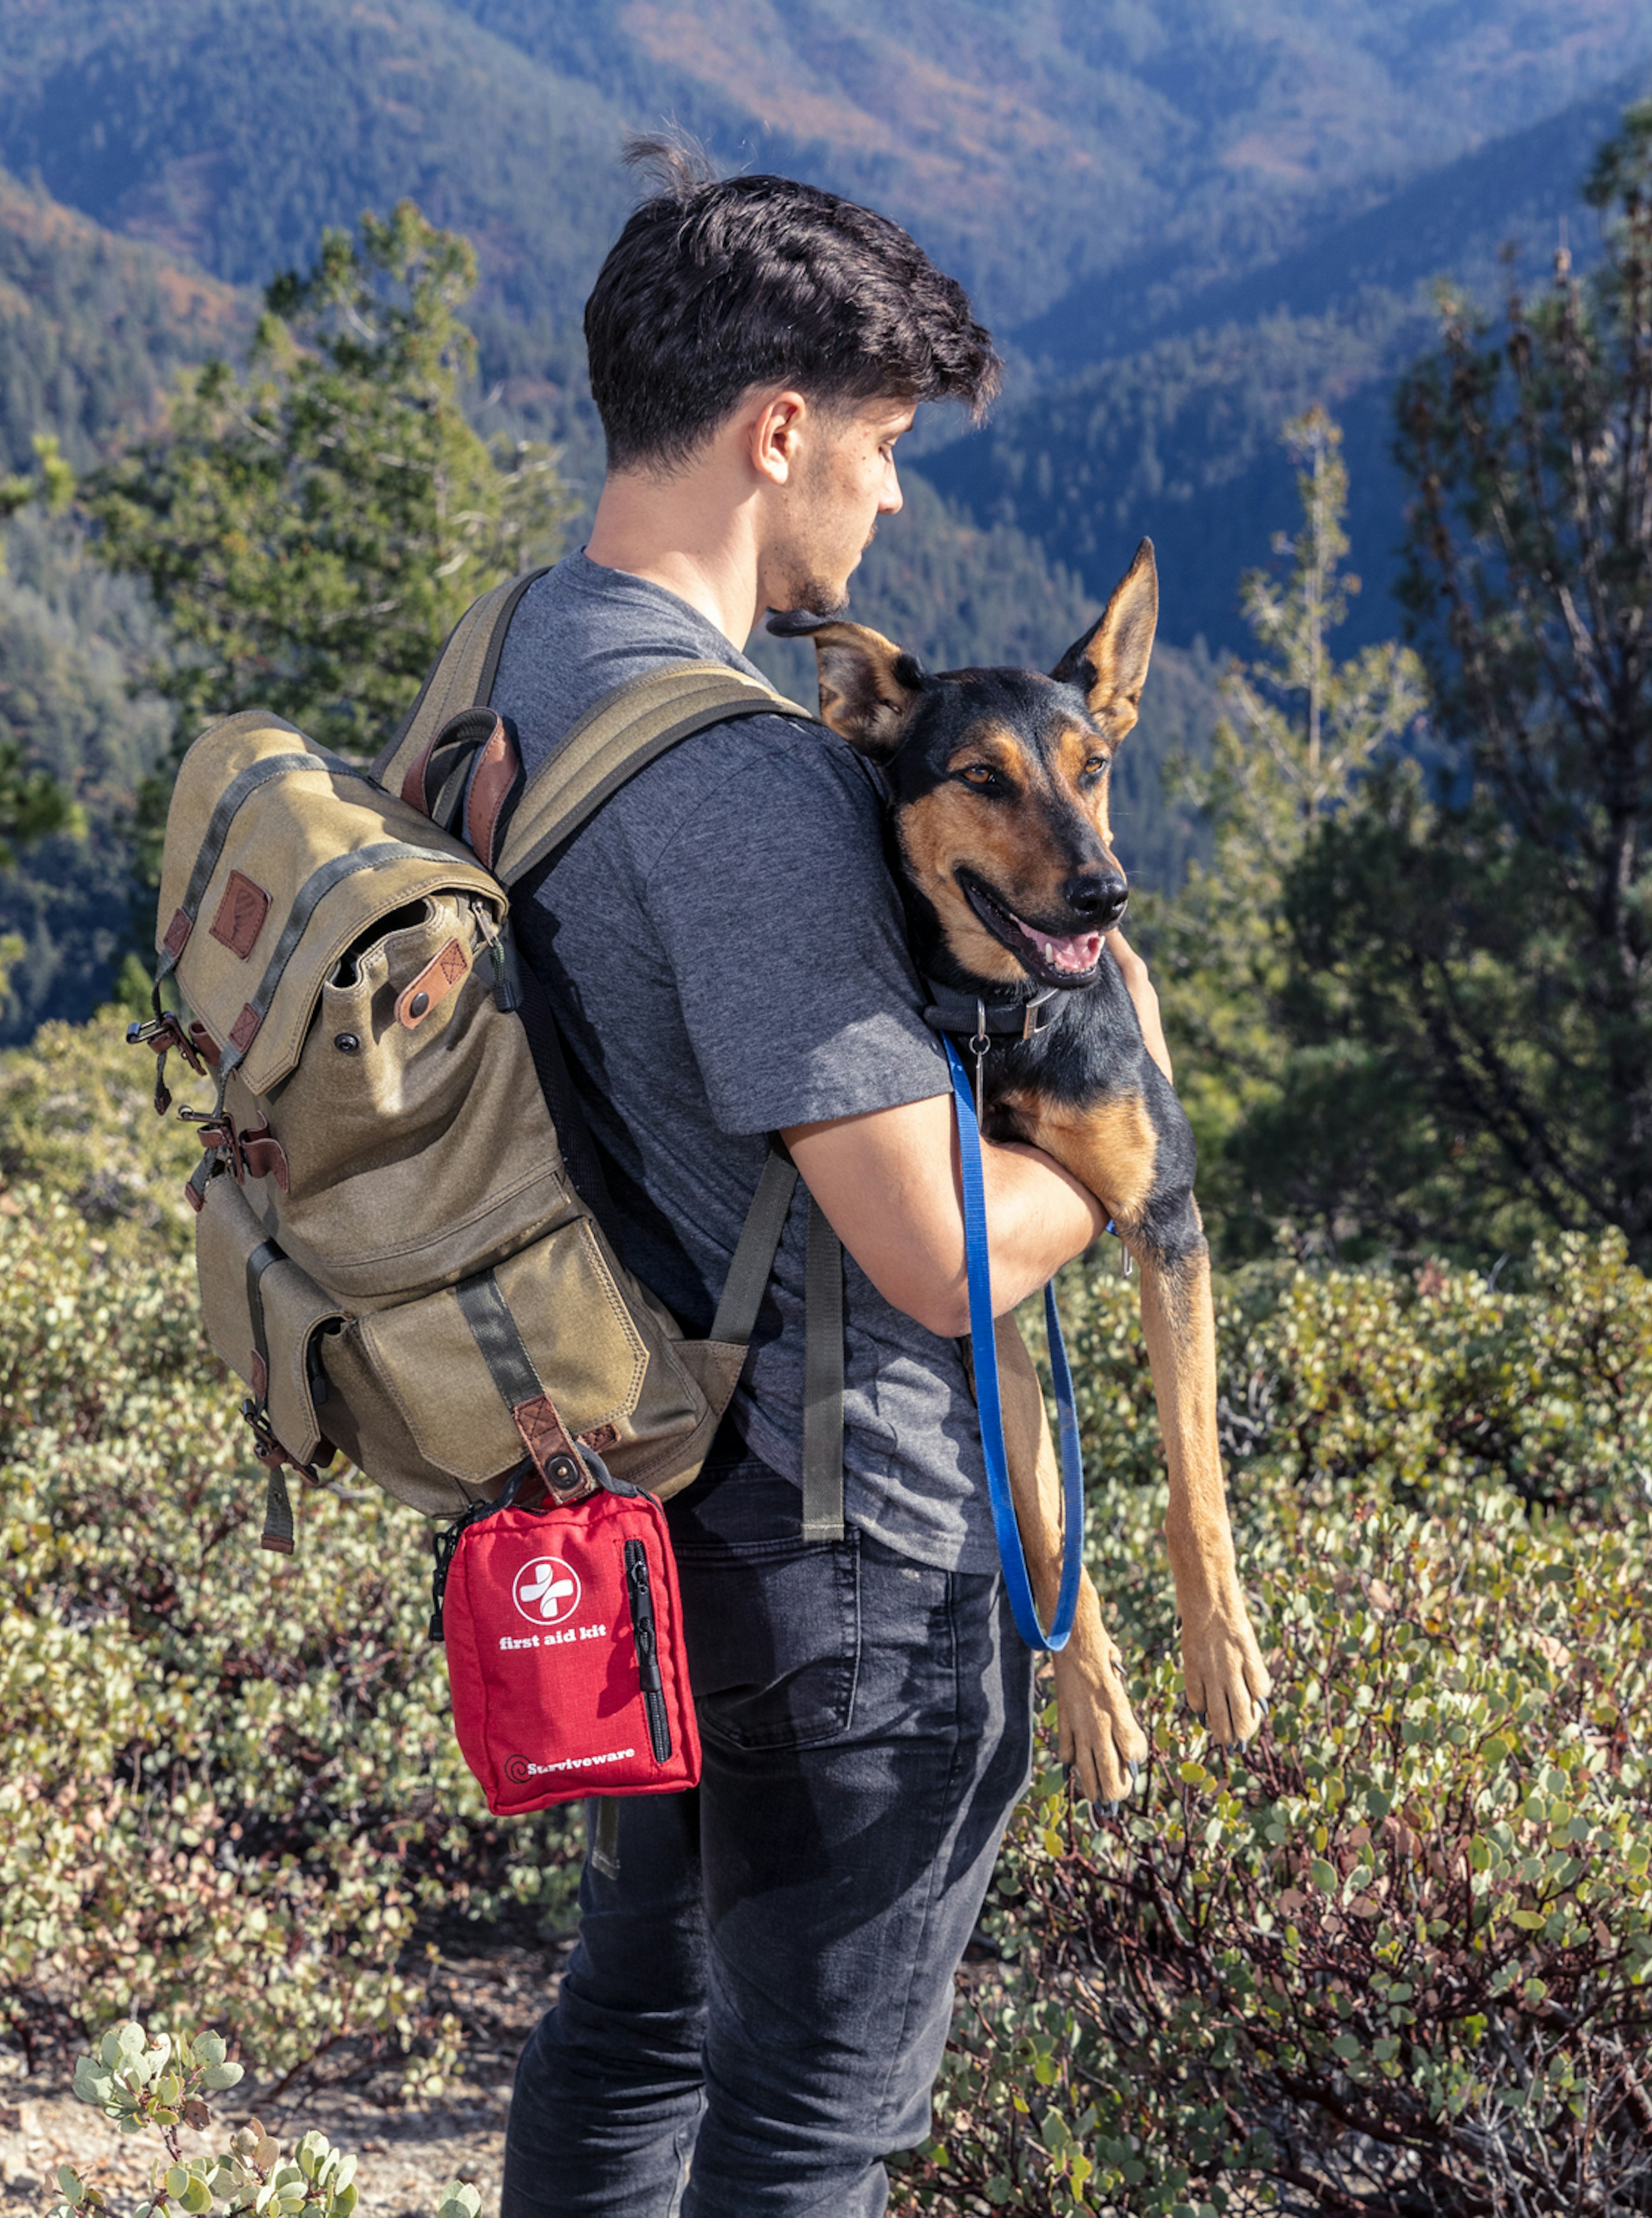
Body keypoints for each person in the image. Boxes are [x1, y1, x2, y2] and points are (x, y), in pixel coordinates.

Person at [495, 139, 1170, 2218]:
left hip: (633, 1493)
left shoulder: (527, 656)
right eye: (878, 448)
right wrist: (1126, 1157)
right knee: (813, 2123)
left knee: (637, 2022)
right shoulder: (757, 791)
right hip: (834, 1557)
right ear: (777, 432)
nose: (889, 500)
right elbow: (938, 1251)